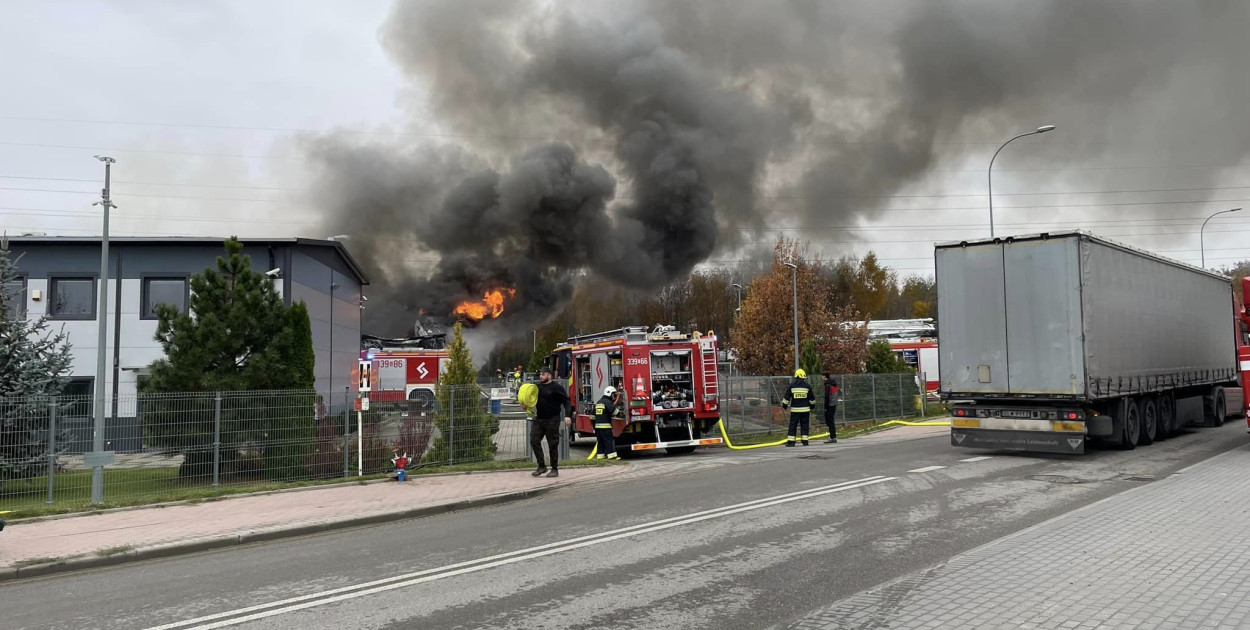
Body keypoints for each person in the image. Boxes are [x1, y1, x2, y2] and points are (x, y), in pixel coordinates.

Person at [530, 367, 572, 478]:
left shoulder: (556, 388)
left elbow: (567, 401)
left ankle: (554, 468)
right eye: (540, 374)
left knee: (552, 444)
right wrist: (526, 406)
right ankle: (541, 466)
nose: (541, 376)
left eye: (543, 374)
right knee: (534, 441)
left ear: (549, 375)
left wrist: (568, 416)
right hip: (539, 419)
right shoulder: (537, 388)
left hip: (552, 419)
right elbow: (531, 401)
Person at [782, 368, 813, 446]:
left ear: (796, 376)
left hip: (795, 410)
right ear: (803, 377)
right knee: (805, 425)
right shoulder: (807, 386)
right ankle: (805, 441)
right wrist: (812, 406)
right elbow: (812, 399)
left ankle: (791, 442)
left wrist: (784, 406)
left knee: (793, 425)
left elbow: (786, 397)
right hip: (805, 410)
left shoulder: (792, 386)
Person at [593, 386, 620, 460]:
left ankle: (600, 456)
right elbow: (615, 412)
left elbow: (592, 416)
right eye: (613, 394)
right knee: (608, 441)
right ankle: (612, 456)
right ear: (610, 394)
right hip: (606, 427)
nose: (613, 396)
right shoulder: (608, 403)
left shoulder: (598, 402)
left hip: (597, 427)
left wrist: (594, 426)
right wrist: (617, 403)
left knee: (600, 442)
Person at [823, 374, 839, 444]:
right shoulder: (833, 384)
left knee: (830, 421)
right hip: (834, 405)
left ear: (824, 377)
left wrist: (825, 407)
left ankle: (832, 437)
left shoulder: (827, 385)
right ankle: (833, 436)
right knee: (831, 421)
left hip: (829, 405)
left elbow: (827, 397)